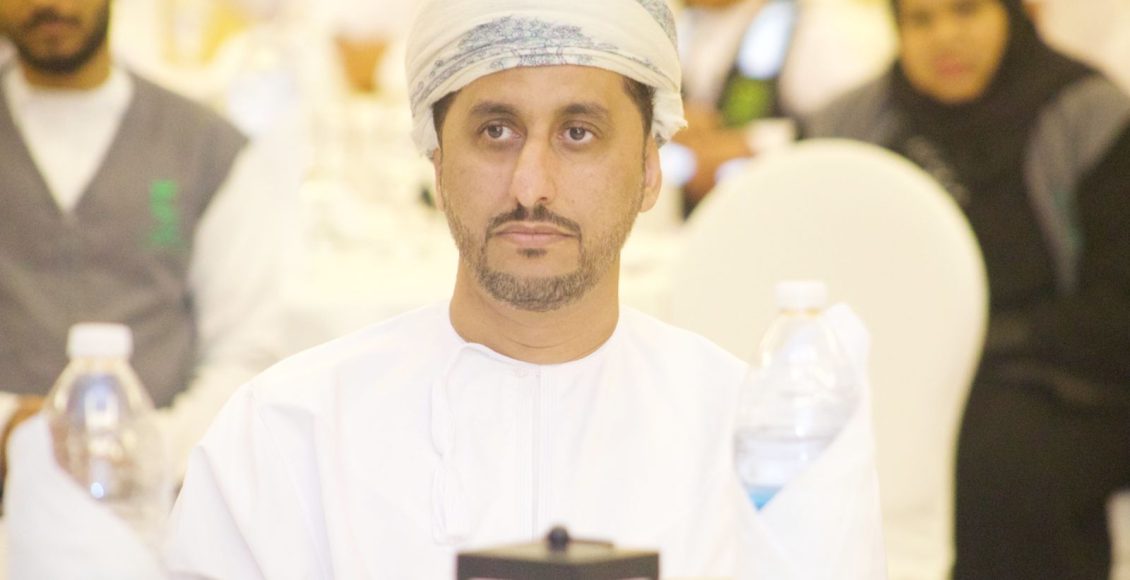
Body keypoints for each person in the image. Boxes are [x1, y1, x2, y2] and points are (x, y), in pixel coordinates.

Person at [161, 0, 776, 577]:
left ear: (648, 169)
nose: (531, 187)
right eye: (496, 132)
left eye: (578, 133)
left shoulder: (751, 441)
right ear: (436, 162)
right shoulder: (290, 434)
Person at [803, 0, 1130, 578]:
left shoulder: (1088, 114)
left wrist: (978, 343)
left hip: (1063, 377)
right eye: (920, 21)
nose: (945, 38)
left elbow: (1114, 309)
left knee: (997, 456)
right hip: (891, 371)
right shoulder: (849, 125)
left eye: (966, 11)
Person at [0, 0, 293, 483]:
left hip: (165, 497)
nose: (48, 3)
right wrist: (10, 427)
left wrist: (146, 451)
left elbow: (244, 351)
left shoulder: (205, 146)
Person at [672, 0, 895, 211]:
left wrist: (755, 144)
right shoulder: (675, 18)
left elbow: (850, 130)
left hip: (775, 205)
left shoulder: (824, 26)